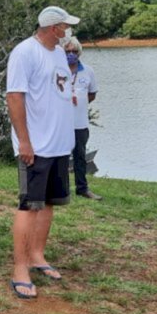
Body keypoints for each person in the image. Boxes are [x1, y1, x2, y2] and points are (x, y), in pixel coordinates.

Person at [6, 6, 78, 299]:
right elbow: (14, 97)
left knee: (48, 203)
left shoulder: (59, 53)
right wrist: (24, 141)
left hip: (59, 143)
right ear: (53, 28)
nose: (68, 32)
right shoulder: (25, 52)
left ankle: (37, 256)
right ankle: (19, 269)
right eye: (65, 27)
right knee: (29, 205)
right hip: (36, 144)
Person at [64, 36, 101, 200]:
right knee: (60, 157)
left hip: (80, 123)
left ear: (79, 53)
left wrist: (80, 102)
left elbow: (92, 94)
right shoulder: (57, 70)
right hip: (61, 123)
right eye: (67, 51)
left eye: (74, 51)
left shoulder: (88, 71)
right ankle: (61, 189)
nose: (71, 54)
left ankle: (82, 188)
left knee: (80, 156)